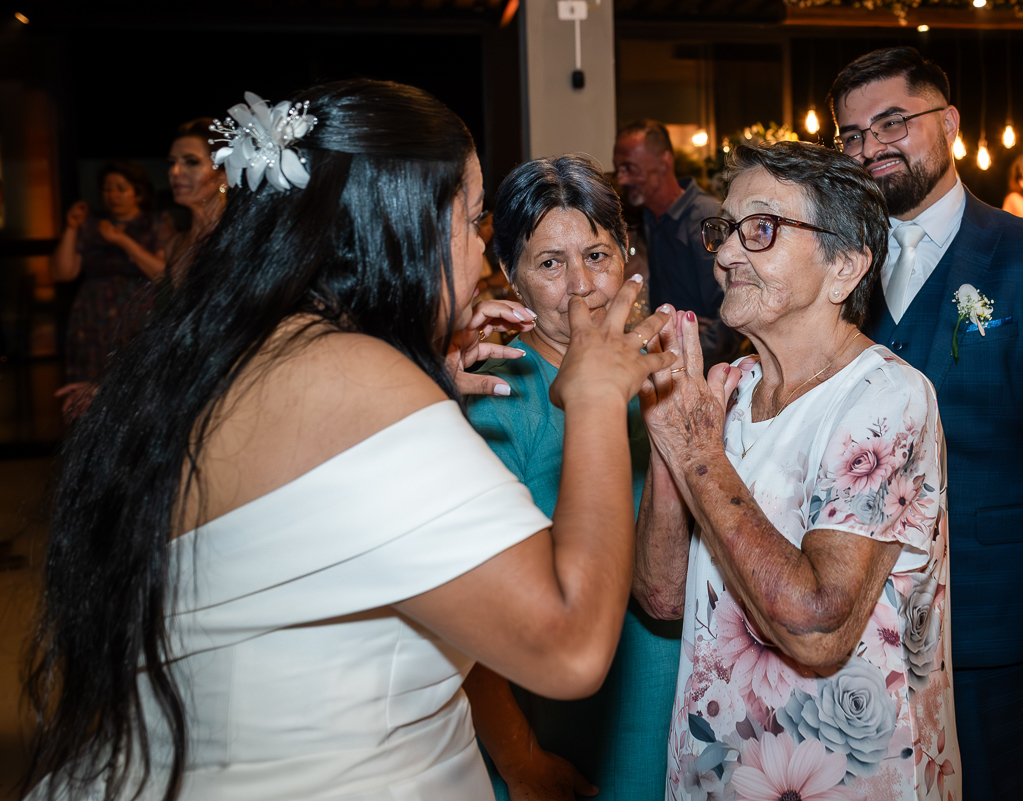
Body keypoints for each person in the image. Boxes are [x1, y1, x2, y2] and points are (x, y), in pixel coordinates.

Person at [21, 80, 676, 801]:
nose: (478, 247)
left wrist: (422, 395)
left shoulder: (248, 350)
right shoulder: (356, 379)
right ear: (403, 226)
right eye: (471, 220)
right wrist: (592, 396)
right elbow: (571, 645)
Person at [635, 140, 961, 801]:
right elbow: (662, 595)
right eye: (723, 230)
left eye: (761, 229)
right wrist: (675, 439)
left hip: (845, 778)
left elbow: (817, 628)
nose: (726, 255)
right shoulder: (726, 391)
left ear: (844, 265)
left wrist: (698, 453)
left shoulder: (887, 397)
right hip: (717, 768)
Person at [828, 47, 1023, 800]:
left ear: (948, 123)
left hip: (988, 615)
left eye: (892, 123)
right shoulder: (833, 267)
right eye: (851, 135)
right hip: (852, 617)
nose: (871, 147)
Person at [464, 155, 681, 801]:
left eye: (597, 253)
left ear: (628, 256)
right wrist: (523, 760)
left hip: (672, 701)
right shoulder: (503, 395)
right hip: (559, 725)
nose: (582, 286)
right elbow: (465, 618)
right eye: (550, 263)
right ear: (512, 278)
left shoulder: (665, 371)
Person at [613, 120, 740, 368]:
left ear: (664, 162)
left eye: (629, 168)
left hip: (705, 369)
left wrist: (681, 355)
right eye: (619, 168)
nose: (622, 178)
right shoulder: (650, 216)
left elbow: (731, 314)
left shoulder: (704, 217)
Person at [49, 159, 166, 415]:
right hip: (92, 318)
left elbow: (162, 274)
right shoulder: (92, 225)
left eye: (120, 188)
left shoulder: (156, 223)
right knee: (87, 395)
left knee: (134, 390)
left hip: (136, 316)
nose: (112, 195)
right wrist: (71, 227)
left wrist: (122, 240)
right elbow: (63, 272)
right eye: (106, 188)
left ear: (137, 192)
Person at [163, 118, 227, 286]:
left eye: (191, 162)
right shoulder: (175, 245)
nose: (175, 172)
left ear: (224, 176)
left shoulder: (237, 241)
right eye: (172, 162)